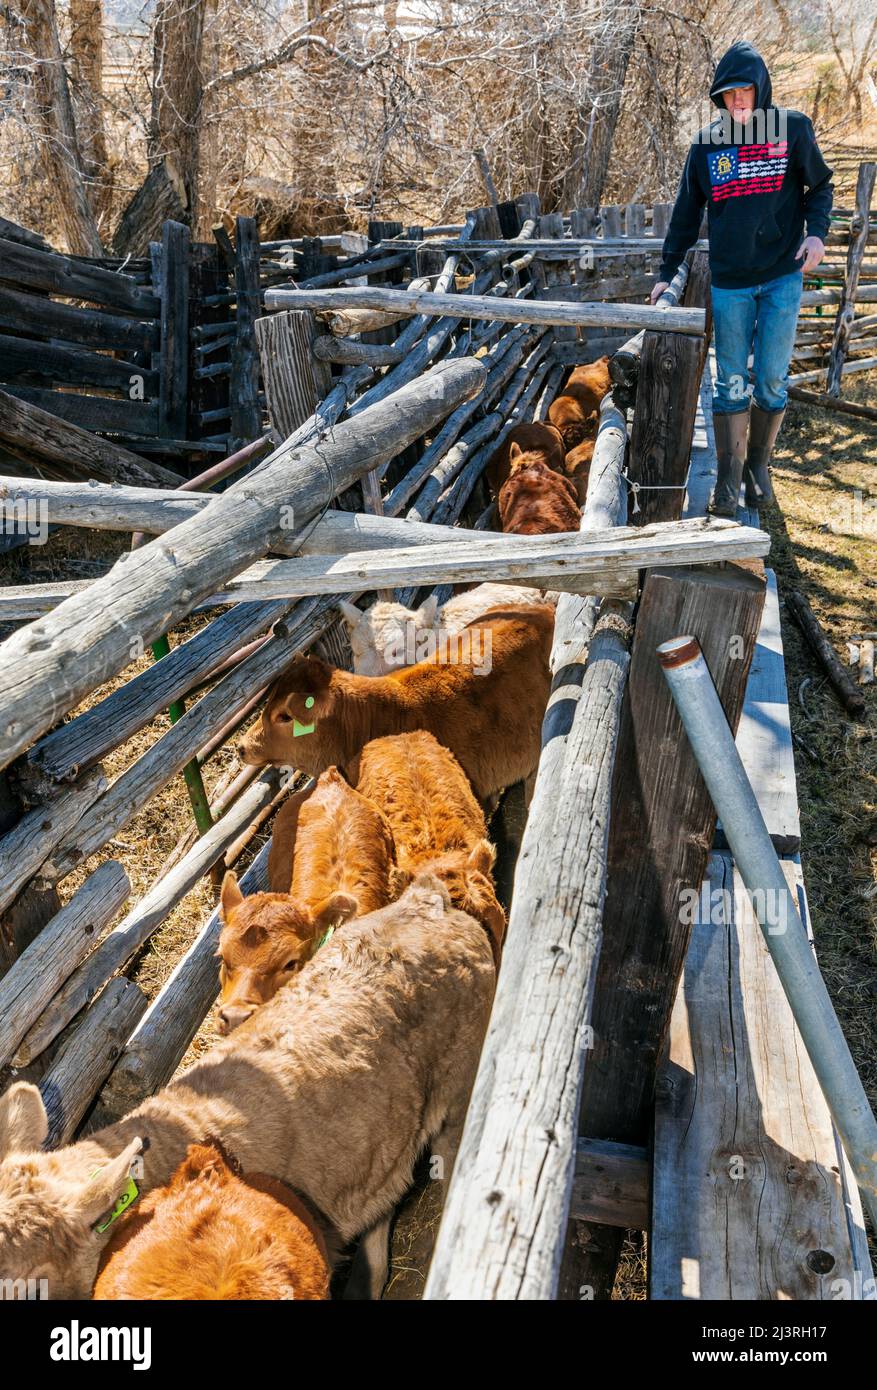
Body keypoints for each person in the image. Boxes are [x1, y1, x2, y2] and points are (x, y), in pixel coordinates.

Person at [651, 40, 833, 514]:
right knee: (731, 380)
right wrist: (667, 270)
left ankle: (757, 467)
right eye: (728, 93)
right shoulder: (707, 144)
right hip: (731, 282)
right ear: (719, 97)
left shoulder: (791, 129)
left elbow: (821, 186)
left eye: (745, 91)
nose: (738, 101)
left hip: (781, 277)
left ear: (760, 89)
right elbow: (686, 214)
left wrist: (816, 236)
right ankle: (727, 481)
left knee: (771, 379)